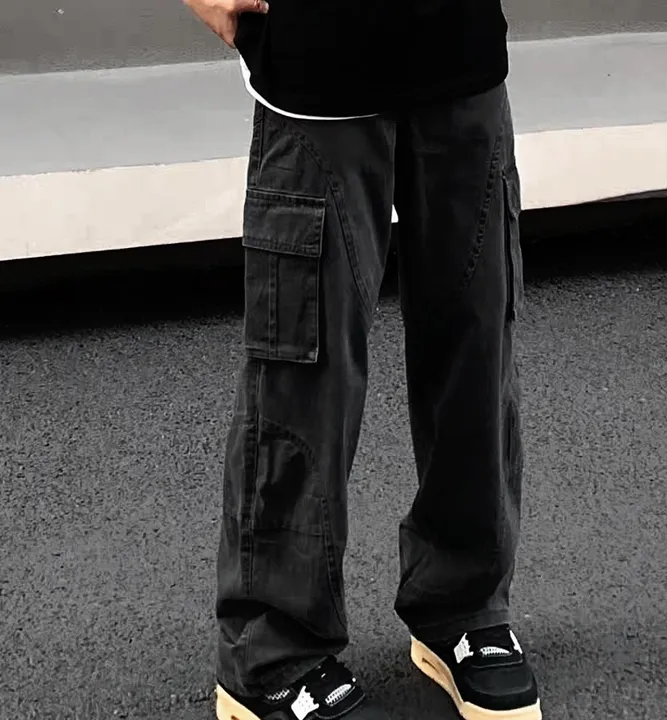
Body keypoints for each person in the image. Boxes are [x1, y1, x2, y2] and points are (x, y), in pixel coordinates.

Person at [183, 0, 540, 718]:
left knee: (475, 348)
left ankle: (464, 604)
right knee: (305, 368)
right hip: (320, 71)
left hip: (461, 52)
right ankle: (273, 653)